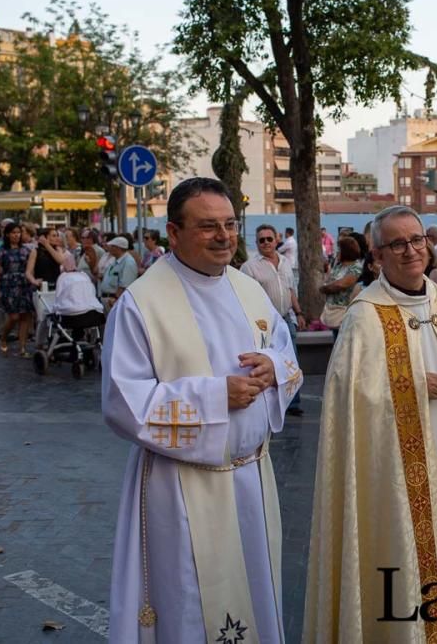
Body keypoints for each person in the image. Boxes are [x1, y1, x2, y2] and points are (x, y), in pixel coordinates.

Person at [103, 177, 301, 644]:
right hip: (181, 486)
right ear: (173, 233)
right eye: (208, 226)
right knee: (189, 600)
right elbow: (122, 401)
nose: (225, 236)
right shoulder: (142, 303)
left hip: (253, 478)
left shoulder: (248, 287)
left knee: (255, 587)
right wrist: (216, 397)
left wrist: (273, 368)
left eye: (231, 225)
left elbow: (284, 350)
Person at [304, 205, 437, 644]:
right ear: (378, 257)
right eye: (397, 244)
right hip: (397, 474)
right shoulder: (365, 315)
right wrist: (415, 386)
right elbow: (348, 399)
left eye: (417, 240)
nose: (411, 251)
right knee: (404, 557)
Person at [242, 224, 307, 416]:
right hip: (263, 322)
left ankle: (293, 402)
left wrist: (299, 312)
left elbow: (290, 290)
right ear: (257, 243)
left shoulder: (285, 262)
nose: (265, 243)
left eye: (269, 239)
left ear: (276, 240)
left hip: (286, 318)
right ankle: (270, 401)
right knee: (268, 361)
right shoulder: (249, 267)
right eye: (261, 240)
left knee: (291, 359)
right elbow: (245, 296)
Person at [0, 223, 35, 358]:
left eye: (18, 232)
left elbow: (30, 268)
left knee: (25, 316)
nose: (16, 235)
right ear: (8, 234)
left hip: (24, 284)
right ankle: (3, 337)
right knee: (14, 316)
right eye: (13, 233)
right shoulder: (2, 251)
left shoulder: (26, 250)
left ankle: (22, 347)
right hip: (8, 285)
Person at [318, 236, 362, 335]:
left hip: (346, 313)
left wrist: (325, 288)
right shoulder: (338, 266)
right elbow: (328, 279)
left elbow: (342, 284)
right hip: (333, 311)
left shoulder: (356, 267)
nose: (337, 252)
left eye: (339, 249)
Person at [99, 236, 139, 308]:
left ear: (118, 248)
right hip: (108, 300)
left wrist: (116, 299)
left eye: (111, 246)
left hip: (114, 301)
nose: (109, 248)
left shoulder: (128, 262)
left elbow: (125, 285)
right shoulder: (115, 260)